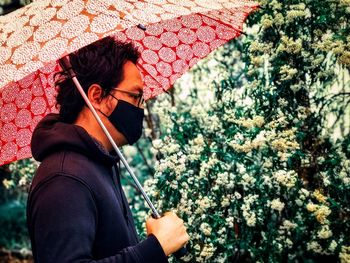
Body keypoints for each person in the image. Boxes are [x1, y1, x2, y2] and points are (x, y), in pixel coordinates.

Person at [27, 36, 189, 262]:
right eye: (135, 96)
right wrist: (154, 248)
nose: (140, 108)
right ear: (96, 96)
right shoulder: (64, 179)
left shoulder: (99, 163)